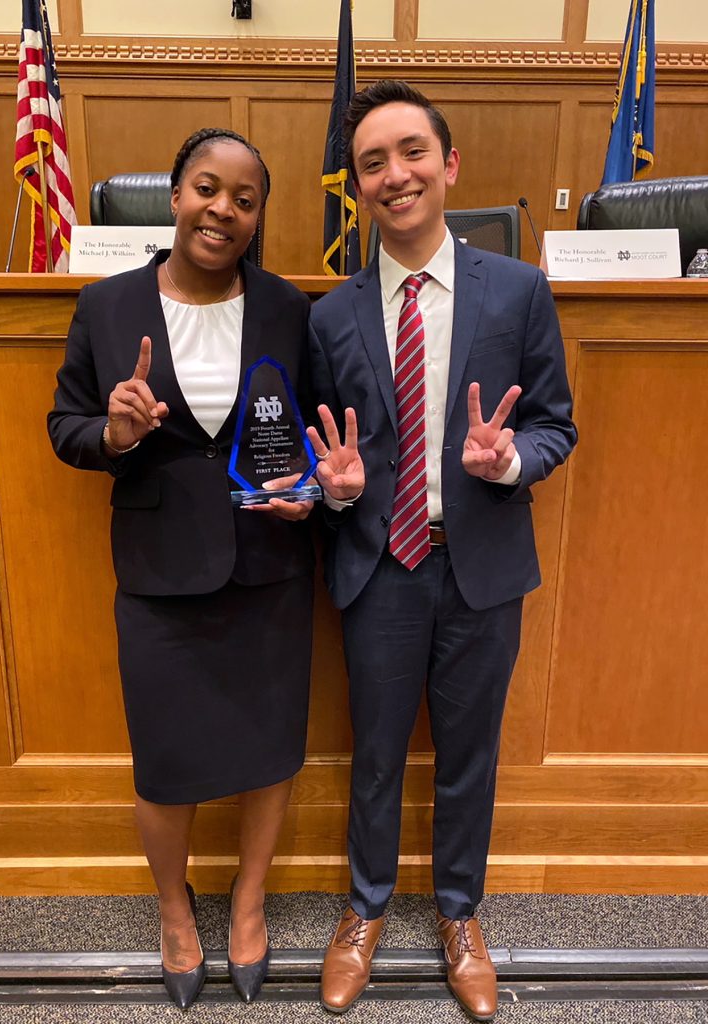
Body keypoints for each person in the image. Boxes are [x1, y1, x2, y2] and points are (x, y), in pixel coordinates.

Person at [47, 128, 363, 1009]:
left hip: (269, 567)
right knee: (165, 762)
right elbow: (65, 425)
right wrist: (111, 433)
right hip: (158, 570)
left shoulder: (289, 309)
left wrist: (311, 484)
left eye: (245, 198)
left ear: (259, 216)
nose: (223, 208)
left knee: (269, 753)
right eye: (206, 188)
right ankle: (175, 912)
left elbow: (313, 428)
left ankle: (249, 903)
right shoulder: (106, 307)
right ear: (176, 196)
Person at [308, 81, 577, 1021]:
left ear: (450, 164)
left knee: (471, 754)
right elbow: (320, 444)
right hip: (380, 564)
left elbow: (555, 426)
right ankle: (366, 907)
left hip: (483, 565)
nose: (396, 174)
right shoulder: (330, 315)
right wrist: (329, 487)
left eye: (412, 152)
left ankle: (461, 913)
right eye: (373, 162)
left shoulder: (519, 290)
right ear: (358, 186)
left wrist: (511, 461)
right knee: (376, 754)